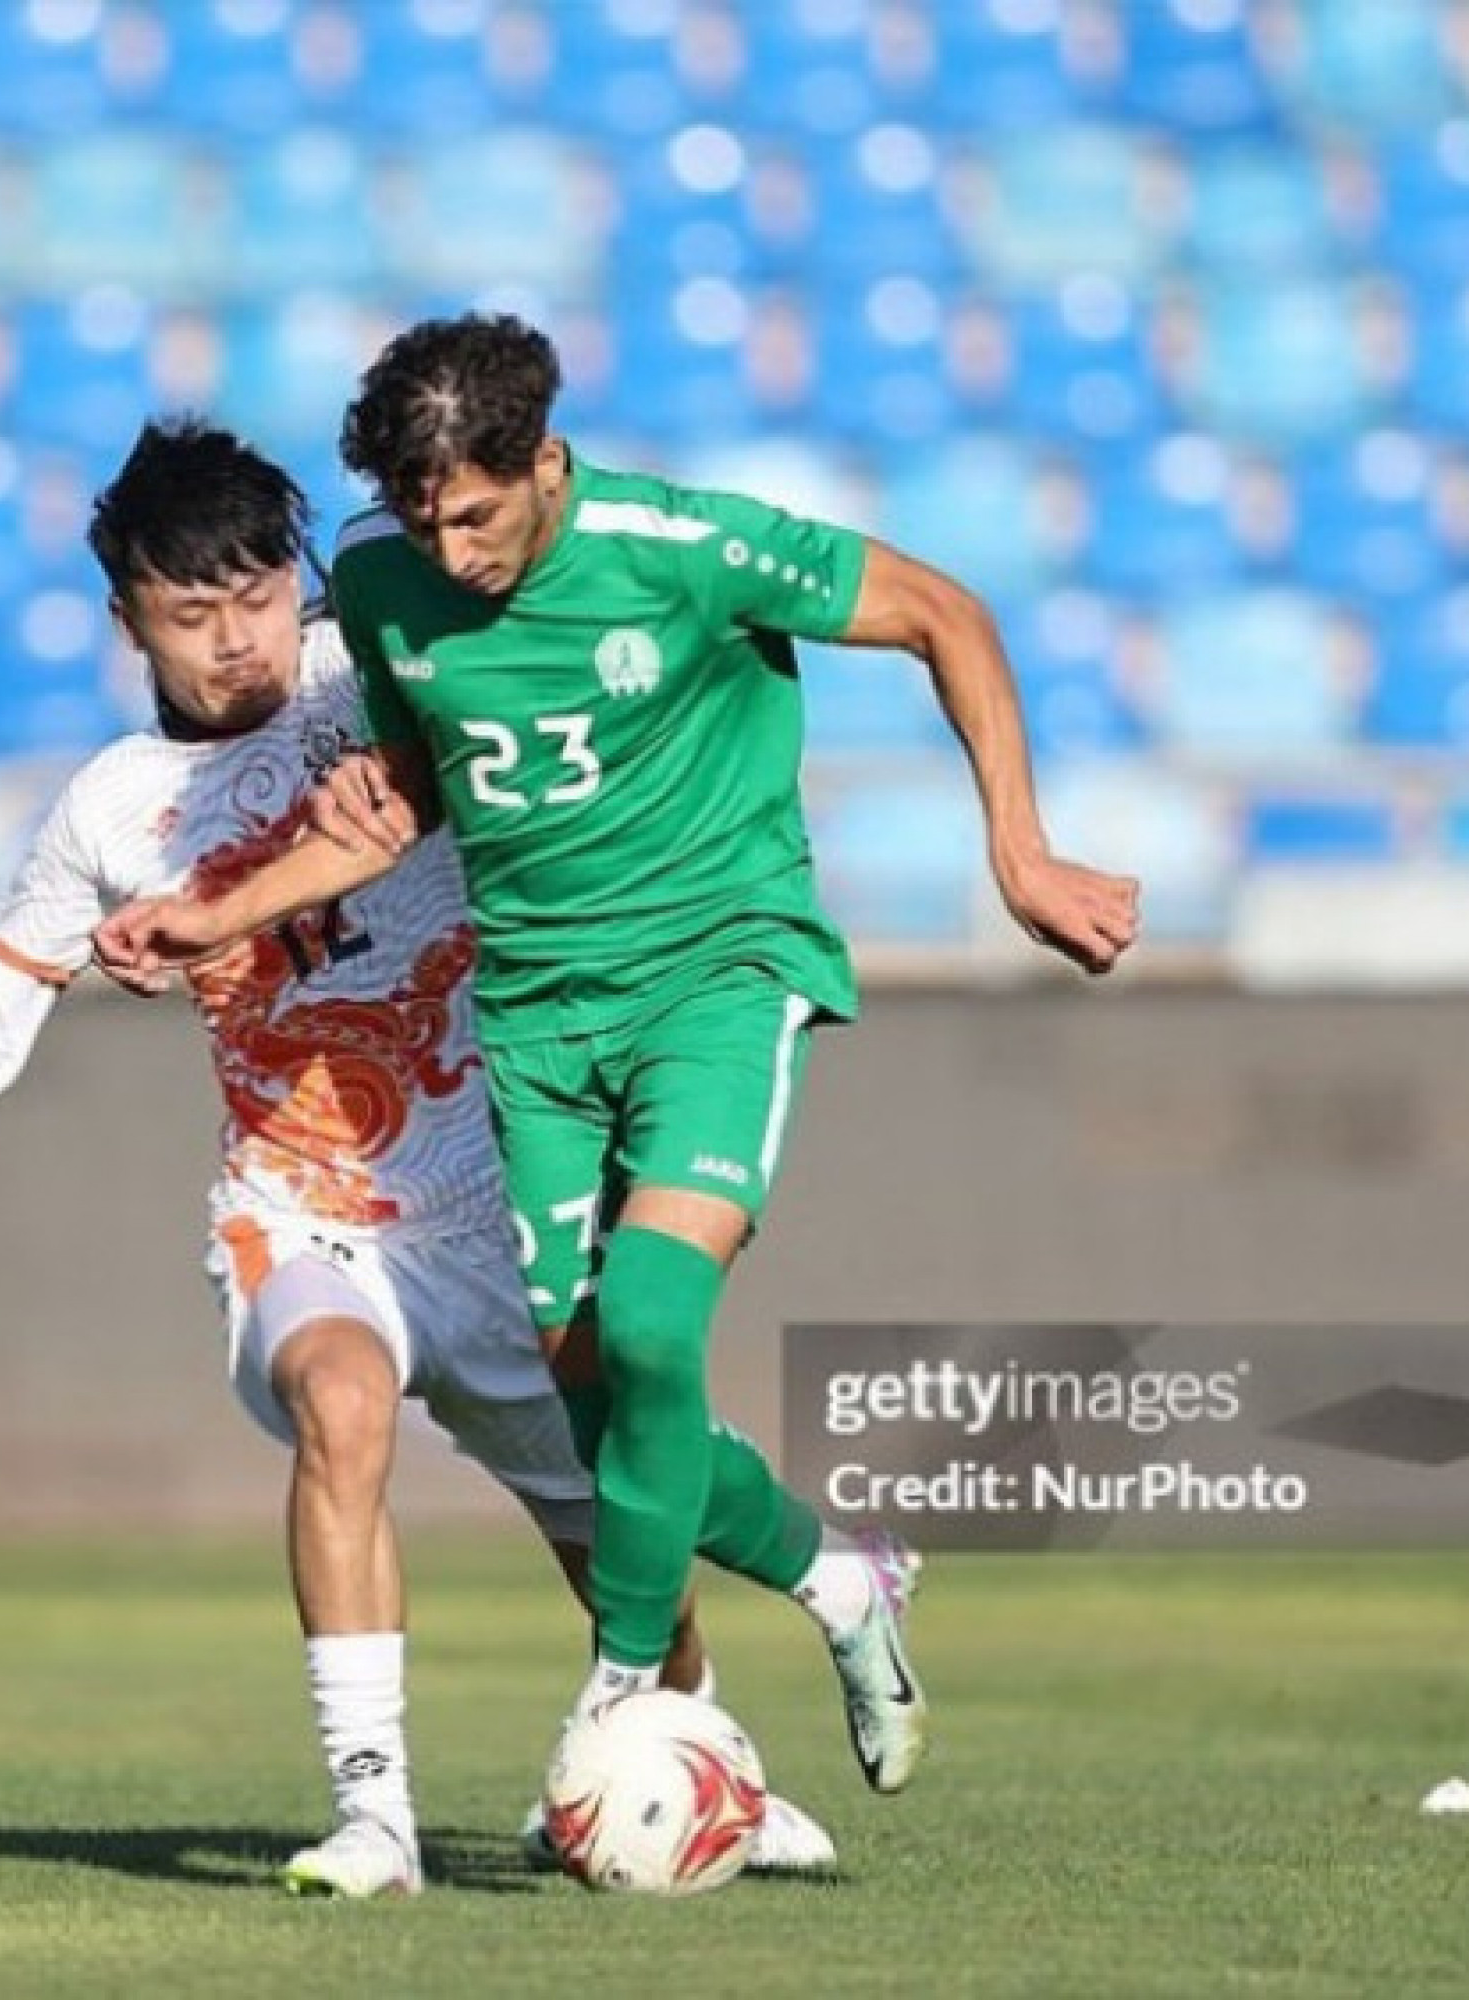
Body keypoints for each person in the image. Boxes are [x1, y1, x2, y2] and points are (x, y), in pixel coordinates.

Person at [0, 416, 835, 1900]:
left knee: (614, 1527)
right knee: (343, 1398)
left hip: (499, 1190)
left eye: (258, 595)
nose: (237, 641)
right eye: (193, 614)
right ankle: (376, 1818)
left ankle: (699, 1761)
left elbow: (562, 724)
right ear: (128, 617)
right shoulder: (113, 810)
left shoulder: (371, 673)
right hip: (302, 1206)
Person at [93, 316, 1144, 1800]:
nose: (450, 552)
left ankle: (623, 1691)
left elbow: (944, 614)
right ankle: (844, 1579)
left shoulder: (684, 546)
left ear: (545, 461)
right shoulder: (390, 589)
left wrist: (1020, 855)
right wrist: (216, 913)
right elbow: (399, 797)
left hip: (718, 975)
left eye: (476, 512)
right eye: (419, 517)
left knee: (652, 1316)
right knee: (596, 1401)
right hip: (535, 1021)